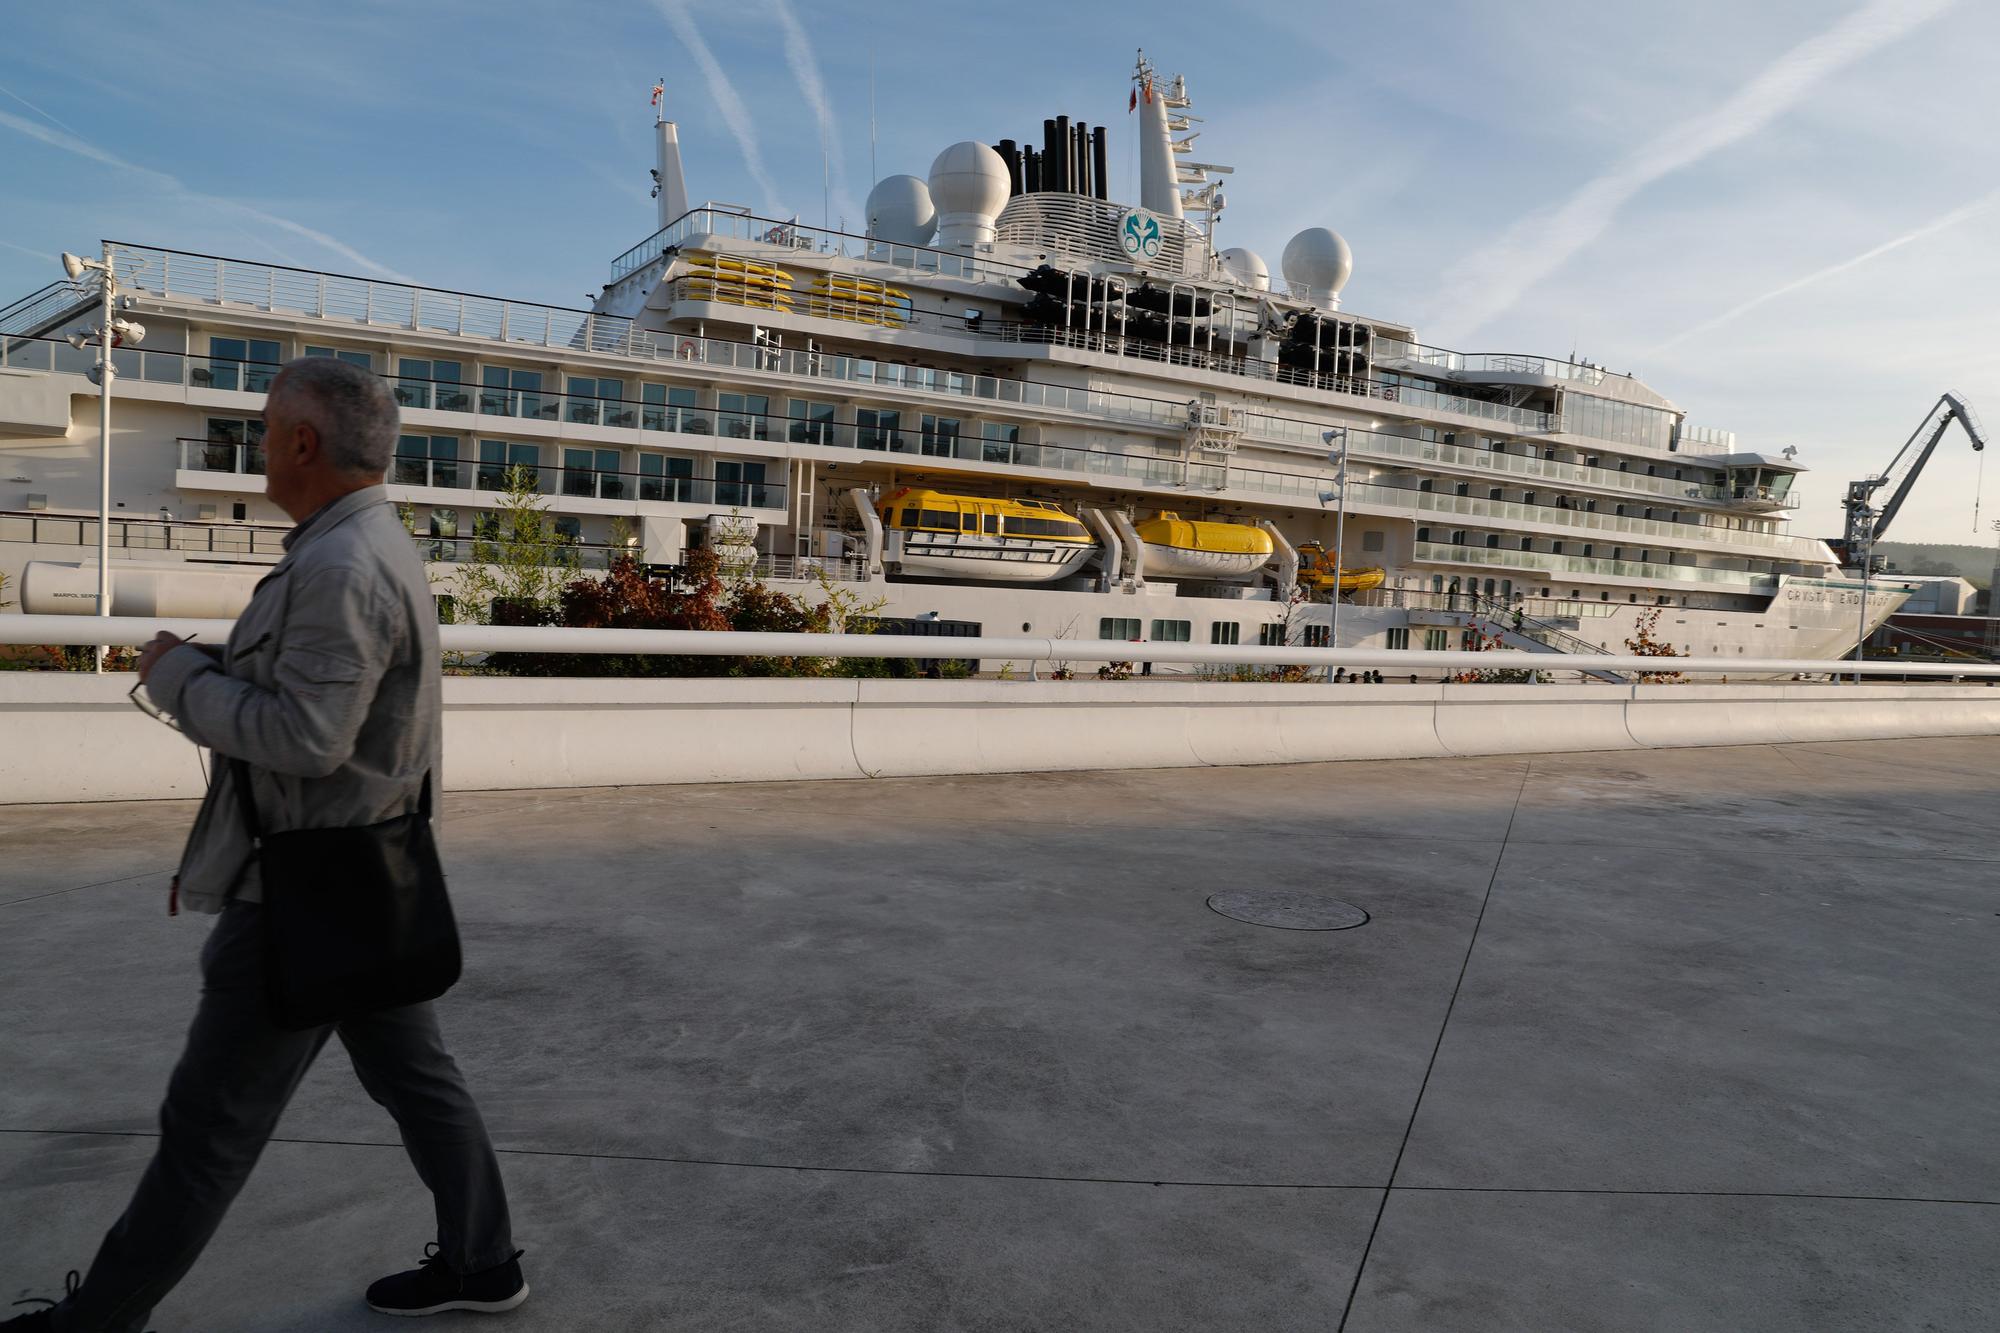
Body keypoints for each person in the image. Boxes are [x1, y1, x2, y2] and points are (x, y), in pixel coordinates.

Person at [4, 359, 524, 1332]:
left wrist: (174, 684)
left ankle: (96, 1321)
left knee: (208, 1128)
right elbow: (314, 699)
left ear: (301, 444)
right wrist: (209, 663)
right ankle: (482, 1262)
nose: (254, 444)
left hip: (303, 897)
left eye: (264, 426)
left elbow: (304, 739)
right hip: (366, 884)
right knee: (418, 1080)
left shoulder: (340, 565)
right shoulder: (361, 542)